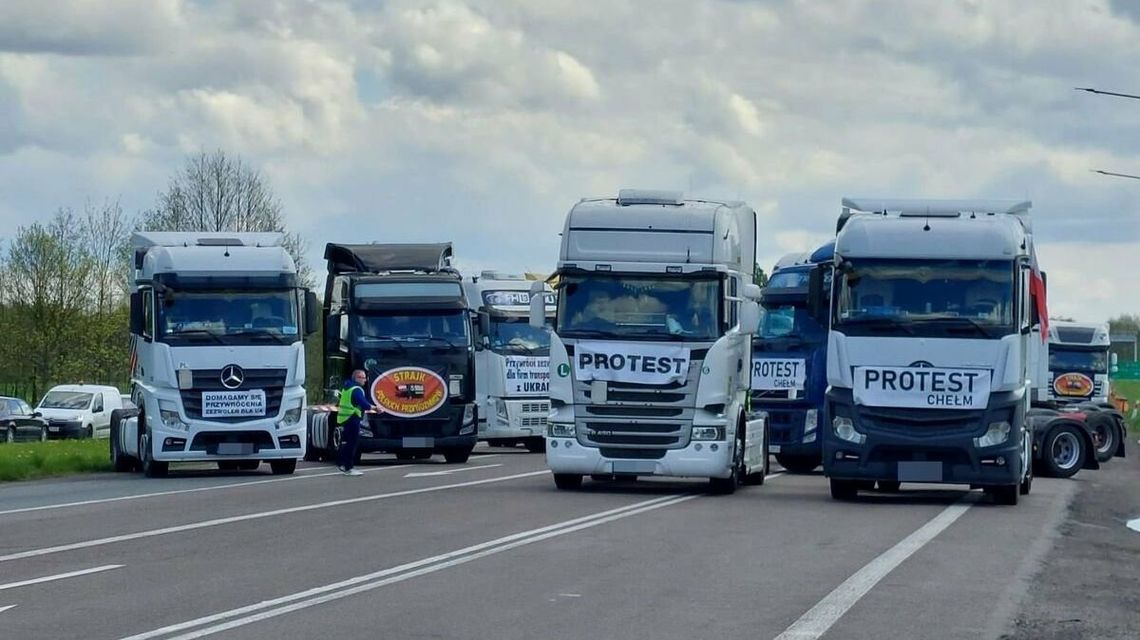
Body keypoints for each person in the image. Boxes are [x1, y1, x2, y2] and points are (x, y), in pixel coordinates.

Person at [337, 369, 375, 476]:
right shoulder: (357, 389)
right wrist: (375, 408)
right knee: (352, 443)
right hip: (353, 418)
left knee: (348, 443)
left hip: (345, 418)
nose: (365, 380)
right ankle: (348, 467)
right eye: (363, 378)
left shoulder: (347, 387)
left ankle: (341, 463)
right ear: (357, 378)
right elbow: (364, 404)